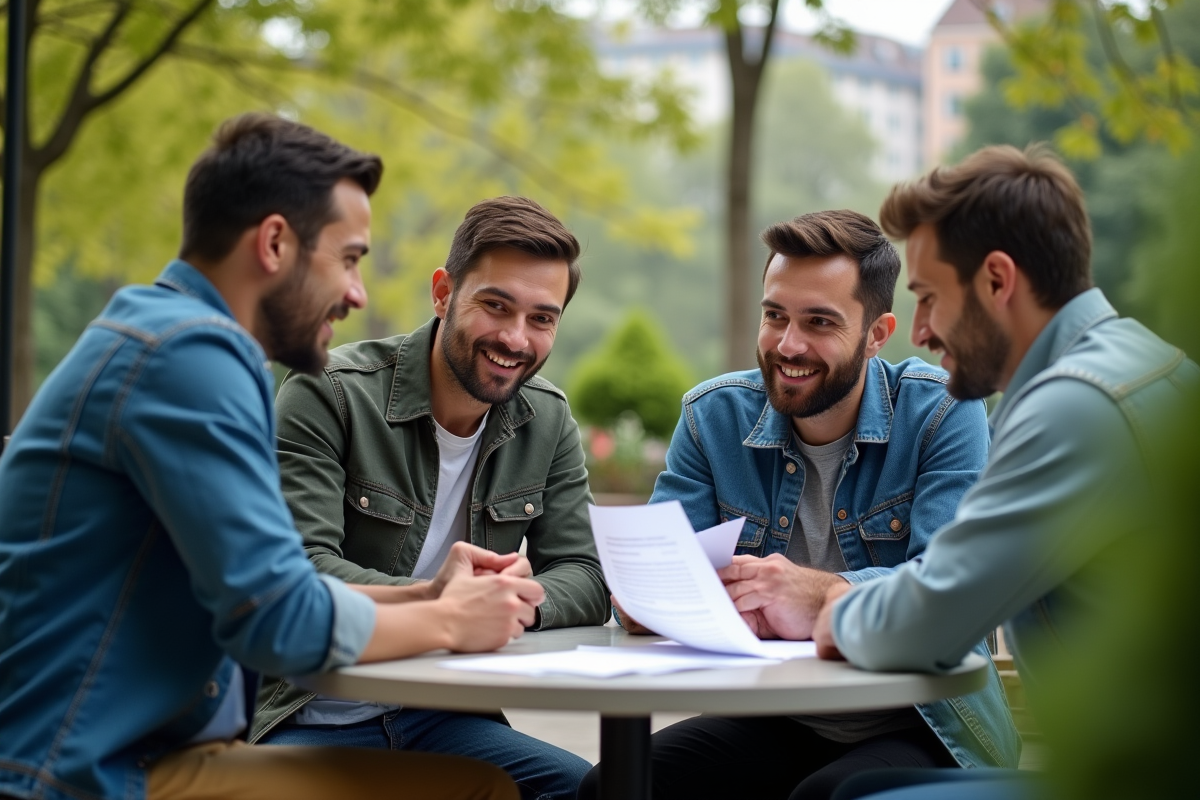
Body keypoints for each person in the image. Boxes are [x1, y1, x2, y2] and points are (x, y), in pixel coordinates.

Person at [0, 113, 538, 800]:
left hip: (112, 757)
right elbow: (279, 623)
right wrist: (451, 620)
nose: (357, 293)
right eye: (348, 258)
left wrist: (427, 592)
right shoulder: (189, 357)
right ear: (276, 242)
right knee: (479, 791)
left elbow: (273, 588)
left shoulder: (160, 336)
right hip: (90, 776)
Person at [580, 209, 1019, 800]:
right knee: (612, 787)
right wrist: (648, 601)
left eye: (819, 322)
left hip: (920, 720)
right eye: (775, 316)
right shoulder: (712, 419)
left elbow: (956, 601)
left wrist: (817, 595)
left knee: (825, 798)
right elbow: (660, 577)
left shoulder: (944, 412)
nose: (789, 344)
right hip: (779, 715)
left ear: (877, 334)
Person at [809, 145, 1199, 799]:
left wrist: (837, 610)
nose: (923, 332)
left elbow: (933, 617)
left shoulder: (1077, 406)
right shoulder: (1144, 360)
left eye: (930, 298)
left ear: (997, 280)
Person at [250, 196, 607, 799]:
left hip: (443, 716)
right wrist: (448, 608)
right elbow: (300, 570)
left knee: (585, 789)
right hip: (304, 714)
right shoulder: (327, 394)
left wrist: (512, 600)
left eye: (542, 319)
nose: (515, 338)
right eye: (496, 306)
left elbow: (588, 574)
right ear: (443, 293)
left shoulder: (546, 418)